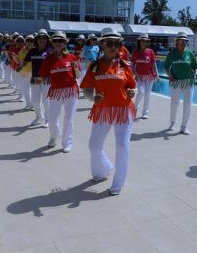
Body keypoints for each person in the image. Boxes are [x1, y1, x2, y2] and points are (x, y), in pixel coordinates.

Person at [80, 27, 136, 196]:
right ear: (102, 44)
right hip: (102, 109)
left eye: (116, 44)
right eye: (109, 43)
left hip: (123, 109)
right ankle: (104, 169)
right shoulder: (95, 66)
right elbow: (87, 89)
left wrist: (132, 92)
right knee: (94, 146)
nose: (113, 47)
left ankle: (118, 183)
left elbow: (132, 86)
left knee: (122, 146)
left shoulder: (125, 65)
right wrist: (92, 98)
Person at [37, 31, 81, 152]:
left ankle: (67, 142)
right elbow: (43, 75)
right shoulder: (49, 58)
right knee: (52, 117)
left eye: (61, 41)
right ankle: (54, 135)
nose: (58, 43)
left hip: (71, 91)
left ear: (65, 43)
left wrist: (75, 67)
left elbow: (78, 76)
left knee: (69, 118)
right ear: (53, 43)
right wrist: (40, 79)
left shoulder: (72, 57)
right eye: (56, 41)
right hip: (55, 91)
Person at [164, 32, 197, 135]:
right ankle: (172, 123)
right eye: (181, 41)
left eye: (185, 41)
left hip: (189, 82)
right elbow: (166, 67)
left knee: (188, 105)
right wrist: (170, 75)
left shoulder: (189, 53)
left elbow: (196, 67)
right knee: (174, 104)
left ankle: (184, 127)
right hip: (176, 82)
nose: (183, 43)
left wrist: (196, 73)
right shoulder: (172, 54)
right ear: (177, 42)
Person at [21, 29, 52, 126]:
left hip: (46, 80)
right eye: (39, 38)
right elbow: (25, 61)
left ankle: (48, 119)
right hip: (35, 79)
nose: (42, 40)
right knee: (35, 101)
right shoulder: (32, 51)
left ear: (47, 39)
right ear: (36, 39)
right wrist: (19, 67)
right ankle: (39, 117)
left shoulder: (51, 51)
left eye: (44, 38)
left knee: (46, 101)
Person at [132, 33, 158, 119]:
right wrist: (135, 73)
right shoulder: (135, 52)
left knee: (147, 94)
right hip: (139, 76)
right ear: (139, 42)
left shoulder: (150, 52)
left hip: (149, 76)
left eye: (146, 41)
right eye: (142, 41)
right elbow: (133, 64)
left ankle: (145, 112)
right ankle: (135, 108)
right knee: (141, 92)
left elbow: (154, 64)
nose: (144, 43)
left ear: (148, 42)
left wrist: (157, 75)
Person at [16, 34, 35, 110]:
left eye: (31, 41)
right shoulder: (22, 51)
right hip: (24, 72)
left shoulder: (37, 50)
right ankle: (28, 104)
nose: (30, 42)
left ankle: (32, 105)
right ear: (25, 42)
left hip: (34, 73)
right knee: (26, 89)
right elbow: (20, 62)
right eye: (28, 40)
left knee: (33, 90)